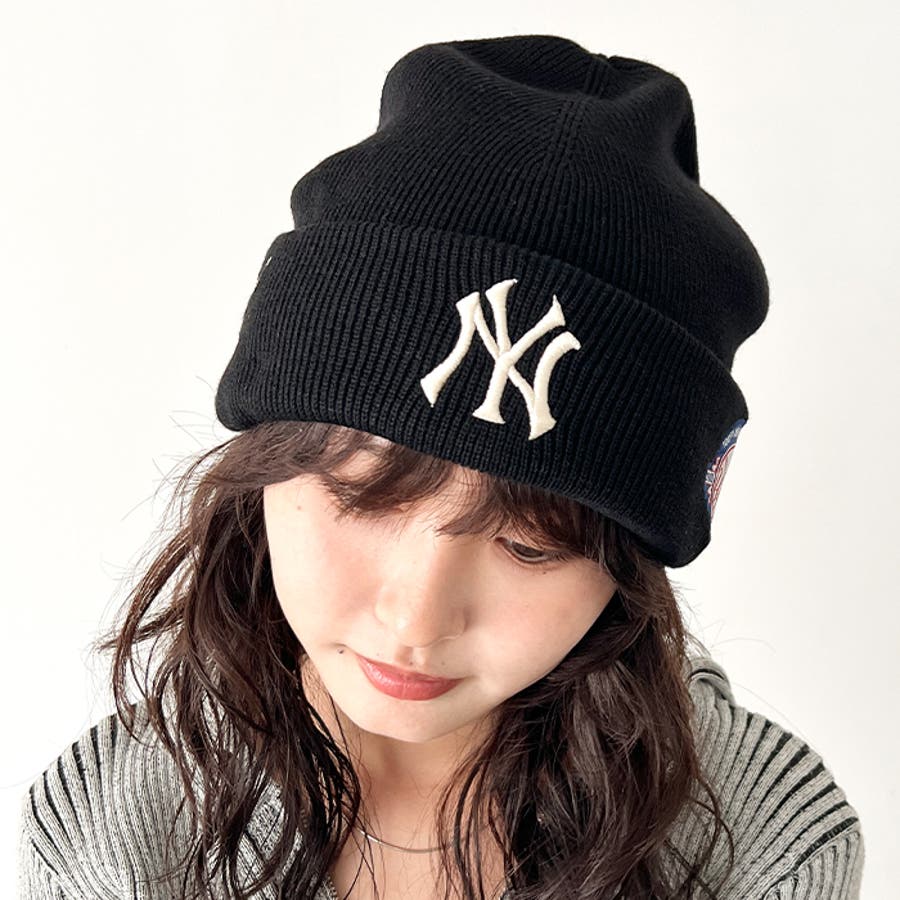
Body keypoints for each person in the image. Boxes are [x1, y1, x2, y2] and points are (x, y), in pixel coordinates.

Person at [16, 33, 865, 900]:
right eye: (361, 496)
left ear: (625, 565)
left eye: (531, 546)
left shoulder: (765, 851)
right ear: (265, 468)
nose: (416, 620)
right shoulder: (108, 832)